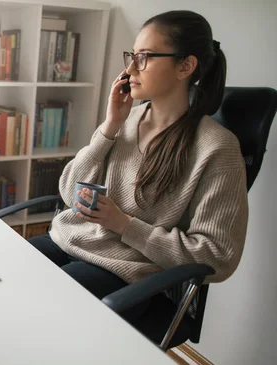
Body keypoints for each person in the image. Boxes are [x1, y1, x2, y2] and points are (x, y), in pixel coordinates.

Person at [28, 10, 248, 318]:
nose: (130, 68)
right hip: (67, 241)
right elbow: (68, 191)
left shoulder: (217, 148)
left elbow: (217, 256)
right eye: (131, 55)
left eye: (144, 57)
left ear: (185, 66)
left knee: (38, 312)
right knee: (2, 278)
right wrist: (108, 127)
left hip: (125, 271)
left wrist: (124, 225)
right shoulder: (126, 120)